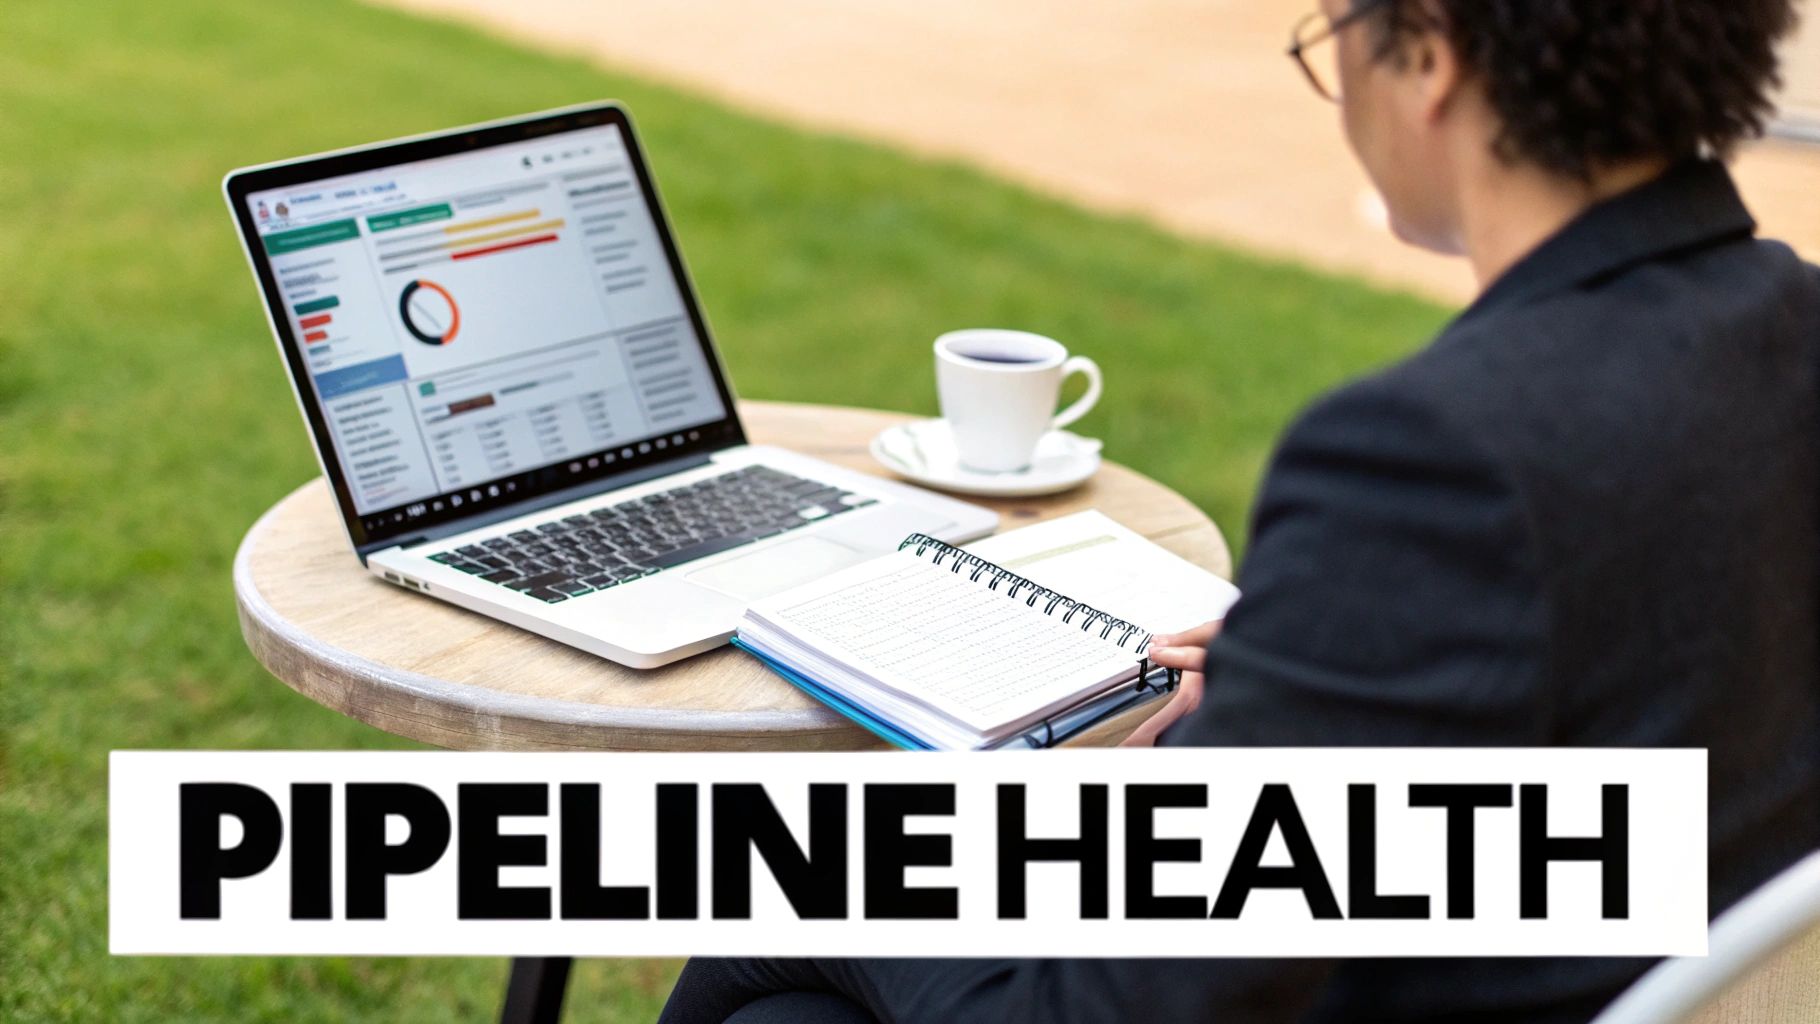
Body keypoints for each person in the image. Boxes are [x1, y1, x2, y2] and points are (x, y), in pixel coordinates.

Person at [660, 0, 1820, 1020]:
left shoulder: (1435, 453)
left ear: (1430, 51)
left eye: (1332, 35)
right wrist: (1318, 675)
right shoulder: (1792, 329)